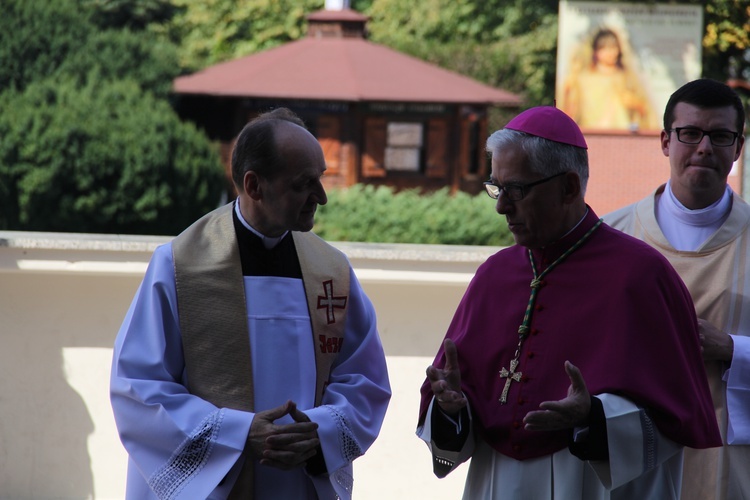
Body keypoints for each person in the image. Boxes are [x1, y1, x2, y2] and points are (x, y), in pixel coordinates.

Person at [416, 105, 721, 499]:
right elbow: (465, 411)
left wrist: (592, 417)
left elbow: (674, 420)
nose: (501, 206)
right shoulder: (494, 275)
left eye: (517, 190)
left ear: (569, 187)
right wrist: (454, 409)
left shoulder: (642, 276)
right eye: (497, 187)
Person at [110, 107, 391, 499]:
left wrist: (319, 432)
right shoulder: (180, 266)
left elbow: (365, 379)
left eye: (321, 179)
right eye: (303, 184)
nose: (322, 197)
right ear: (254, 185)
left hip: (299, 482)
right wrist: (239, 433)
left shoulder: (331, 271)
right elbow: (138, 387)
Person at [605, 78, 749, 500]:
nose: (704, 147)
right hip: (631, 455)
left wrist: (731, 348)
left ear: (738, 148)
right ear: (666, 141)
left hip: (731, 461)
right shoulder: (611, 236)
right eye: (690, 133)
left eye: (720, 136)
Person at [560, 27, 657, 131]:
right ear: (595, 51)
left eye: (613, 47)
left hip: (621, 137)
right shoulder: (583, 80)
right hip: (591, 136)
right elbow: (569, 112)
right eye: (604, 48)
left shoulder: (627, 77)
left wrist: (636, 104)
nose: (610, 53)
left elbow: (646, 111)